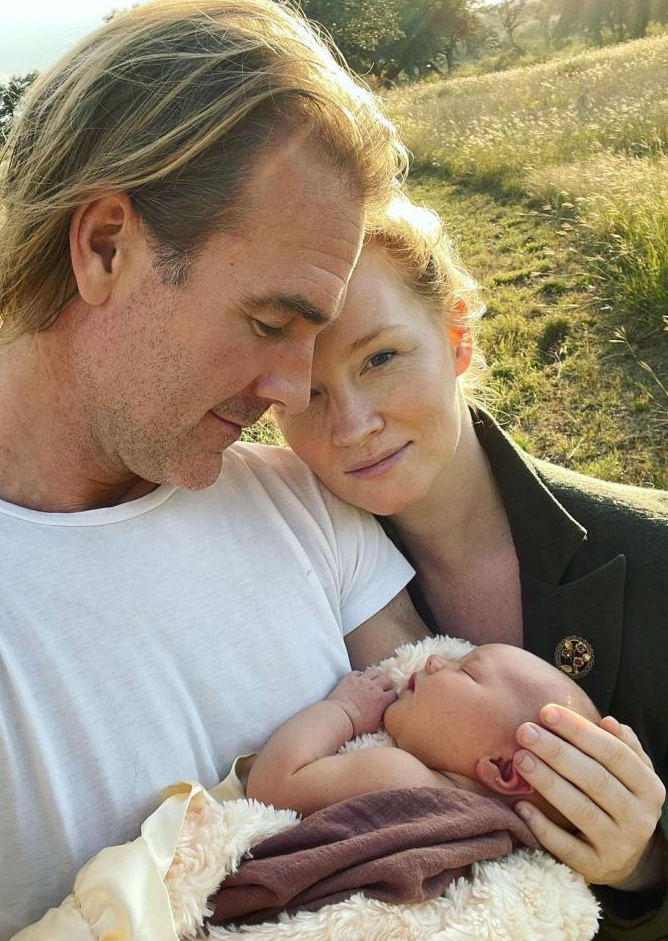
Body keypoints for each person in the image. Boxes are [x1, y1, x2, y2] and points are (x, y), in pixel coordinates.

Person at [0, 0, 429, 940]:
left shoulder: (300, 505)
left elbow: (464, 781)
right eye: (271, 323)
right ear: (106, 246)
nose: (294, 389)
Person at [275, 195, 668, 940]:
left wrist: (644, 866)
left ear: (456, 333)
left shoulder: (656, 563)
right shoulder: (302, 571)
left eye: (381, 358)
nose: (352, 425)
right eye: (307, 394)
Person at [248, 643, 601, 825]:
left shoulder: (403, 778)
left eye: (466, 672)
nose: (434, 660)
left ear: (503, 769)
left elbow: (272, 785)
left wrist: (345, 711)